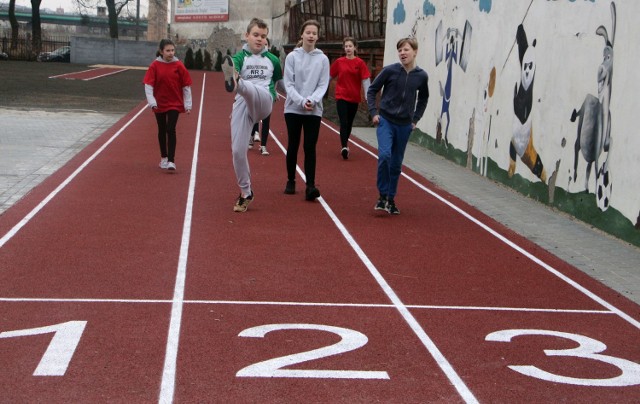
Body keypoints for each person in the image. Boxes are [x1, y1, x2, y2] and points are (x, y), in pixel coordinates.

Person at [222, 18, 283, 212]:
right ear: (247, 36)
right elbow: (235, 66)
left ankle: (237, 83)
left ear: (266, 40)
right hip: (243, 104)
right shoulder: (240, 57)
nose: (259, 39)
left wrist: (293, 98)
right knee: (238, 151)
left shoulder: (273, 60)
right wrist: (234, 73)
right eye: (255, 35)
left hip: (264, 100)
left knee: (249, 89)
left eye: (263, 36)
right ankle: (246, 192)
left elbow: (281, 84)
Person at [366, 37, 429, 215]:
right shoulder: (390, 71)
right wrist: (373, 112)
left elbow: (424, 98)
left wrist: (415, 119)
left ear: (415, 52)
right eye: (400, 50)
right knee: (385, 155)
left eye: (406, 49)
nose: (402, 53)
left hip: (404, 125)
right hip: (385, 120)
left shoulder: (421, 76)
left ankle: (391, 199)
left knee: (396, 164)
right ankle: (382, 195)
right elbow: (372, 90)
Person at [283, 19, 330, 201]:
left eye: (314, 33)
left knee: (310, 147)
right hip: (293, 109)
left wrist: (312, 100)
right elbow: (289, 83)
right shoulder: (292, 57)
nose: (311, 35)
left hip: (313, 110)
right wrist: (301, 101)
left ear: (318, 36)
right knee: (293, 145)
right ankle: (291, 180)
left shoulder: (323, 59)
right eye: (308, 32)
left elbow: (323, 84)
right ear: (301, 34)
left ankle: (310, 185)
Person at [143, 38, 192, 171]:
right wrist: (152, 103)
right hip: (159, 103)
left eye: (172, 50)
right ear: (161, 51)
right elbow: (148, 85)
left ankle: (171, 160)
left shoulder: (179, 65)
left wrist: (188, 105)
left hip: (175, 103)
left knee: (171, 129)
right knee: (162, 129)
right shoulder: (155, 66)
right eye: (168, 50)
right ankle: (163, 157)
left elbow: (186, 86)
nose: (171, 53)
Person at [329, 37, 371, 160]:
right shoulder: (339, 62)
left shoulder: (360, 63)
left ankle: (345, 143)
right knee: (343, 121)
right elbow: (329, 77)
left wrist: (368, 97)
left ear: (355, 48)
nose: (348, 48)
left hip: (354, 97)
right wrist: (320, 91)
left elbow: (365, 80)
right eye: (346, 46)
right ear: (344, 48)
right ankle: (344, 146)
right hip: (341, 95)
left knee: (349, 122)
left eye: (350, 46)